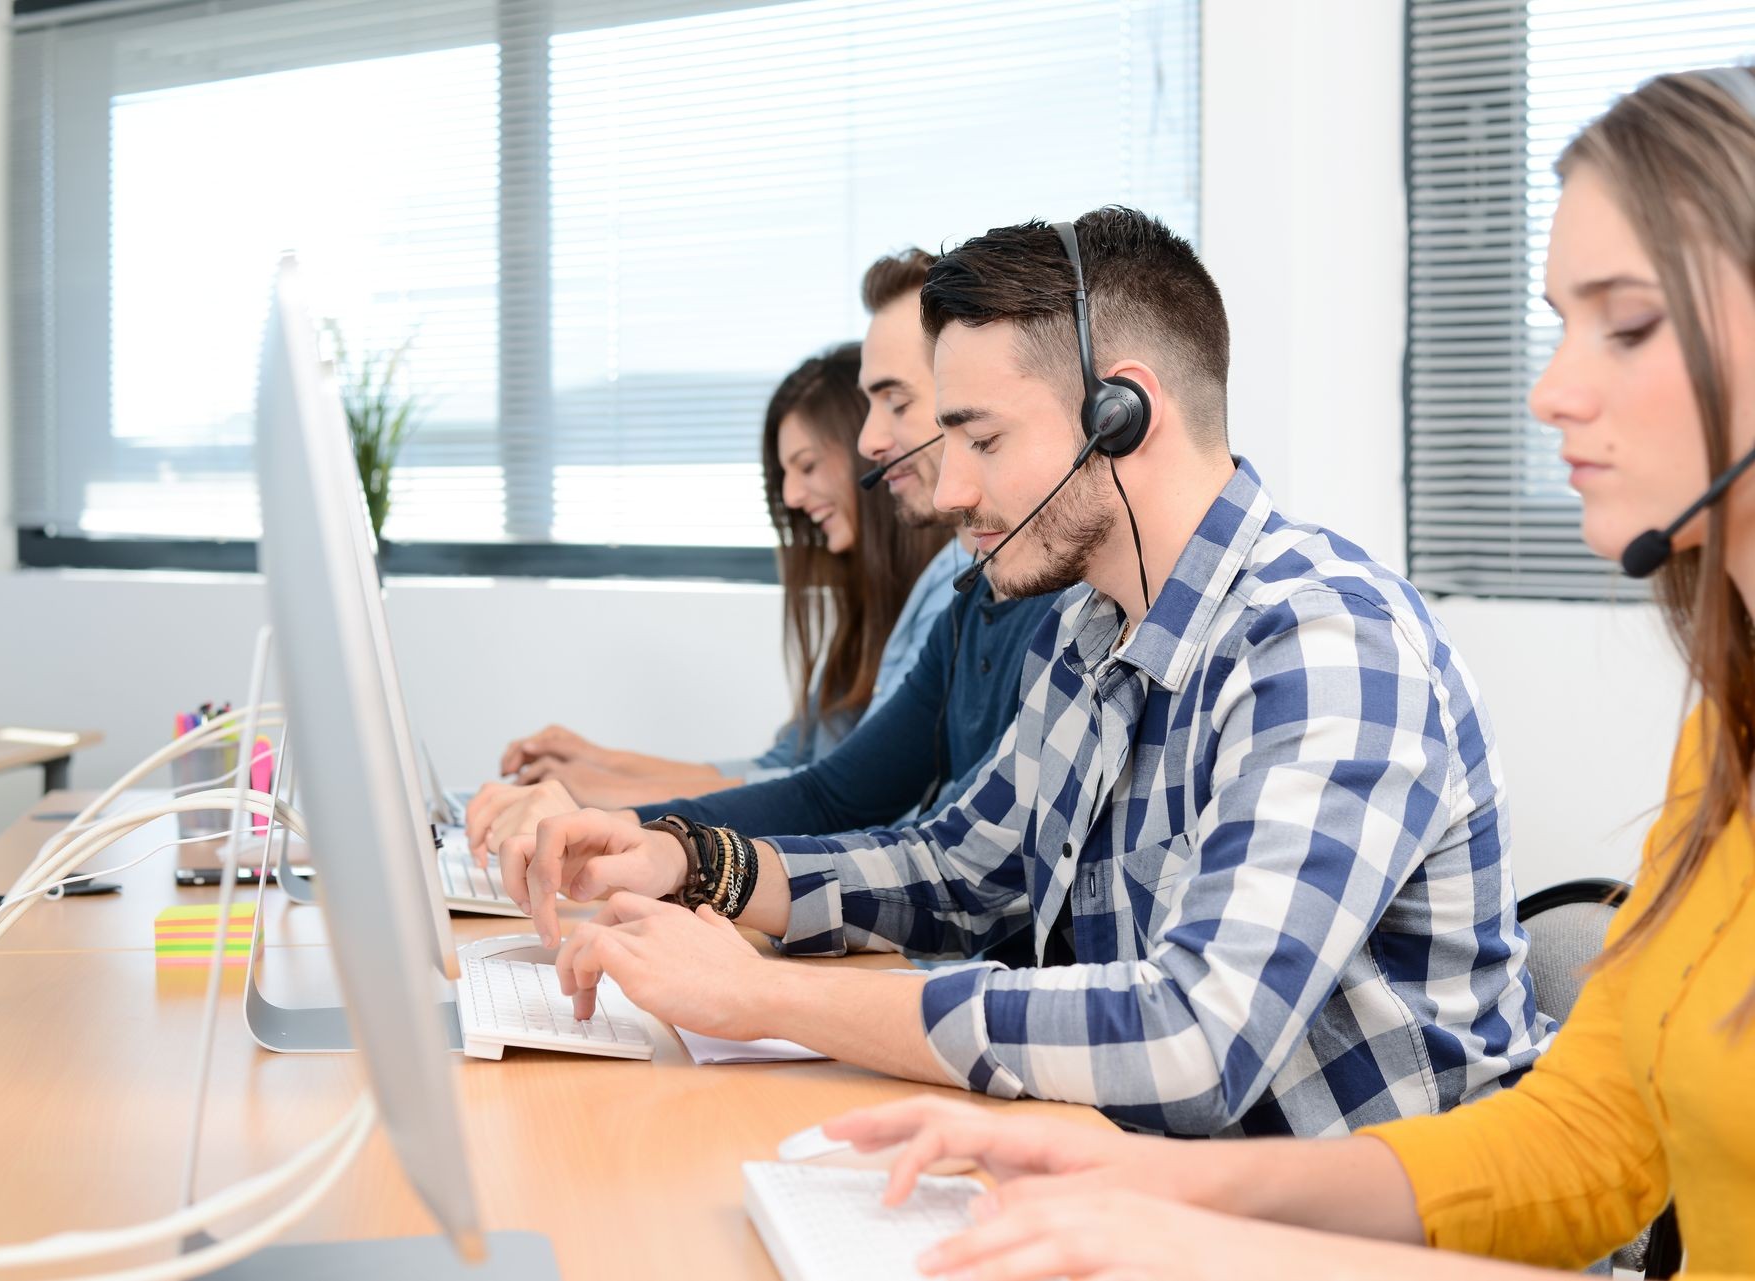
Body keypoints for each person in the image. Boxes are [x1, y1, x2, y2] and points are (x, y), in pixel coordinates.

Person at [815, 65, 1755, 1281]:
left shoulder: (1325, 638)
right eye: (1559, 323)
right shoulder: (1726, 738)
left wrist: (1210, 1237)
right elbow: (1583, 1147)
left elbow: (1199, 1040)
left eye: (1626, 324)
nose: (1550, 391)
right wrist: (1157, 1188)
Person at [505, 205, 1550, 1136]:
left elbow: (1193, 1042)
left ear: (1121, 417)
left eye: (982, 438)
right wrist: (694, 863)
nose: (950, 486)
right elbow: (963, 868)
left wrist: (766, 998)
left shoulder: (1325, 650)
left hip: (1363, 1242)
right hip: (1150, 1198)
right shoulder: (1090, 629)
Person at [463, 250, 1060, 854]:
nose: (869, 441)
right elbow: (831, 795)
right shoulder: (969, 605)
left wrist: (646, 836)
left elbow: (953, 872)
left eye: (898, 403)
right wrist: (628, 834)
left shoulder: (1059, 610)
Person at [493, 342, 950, 809]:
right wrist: (598, 763)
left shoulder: (948, 593)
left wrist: (611, 798)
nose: (791, 495)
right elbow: (781, 765)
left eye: (807, 466)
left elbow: (829, 792)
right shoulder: (871, 611)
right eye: (785, 474)